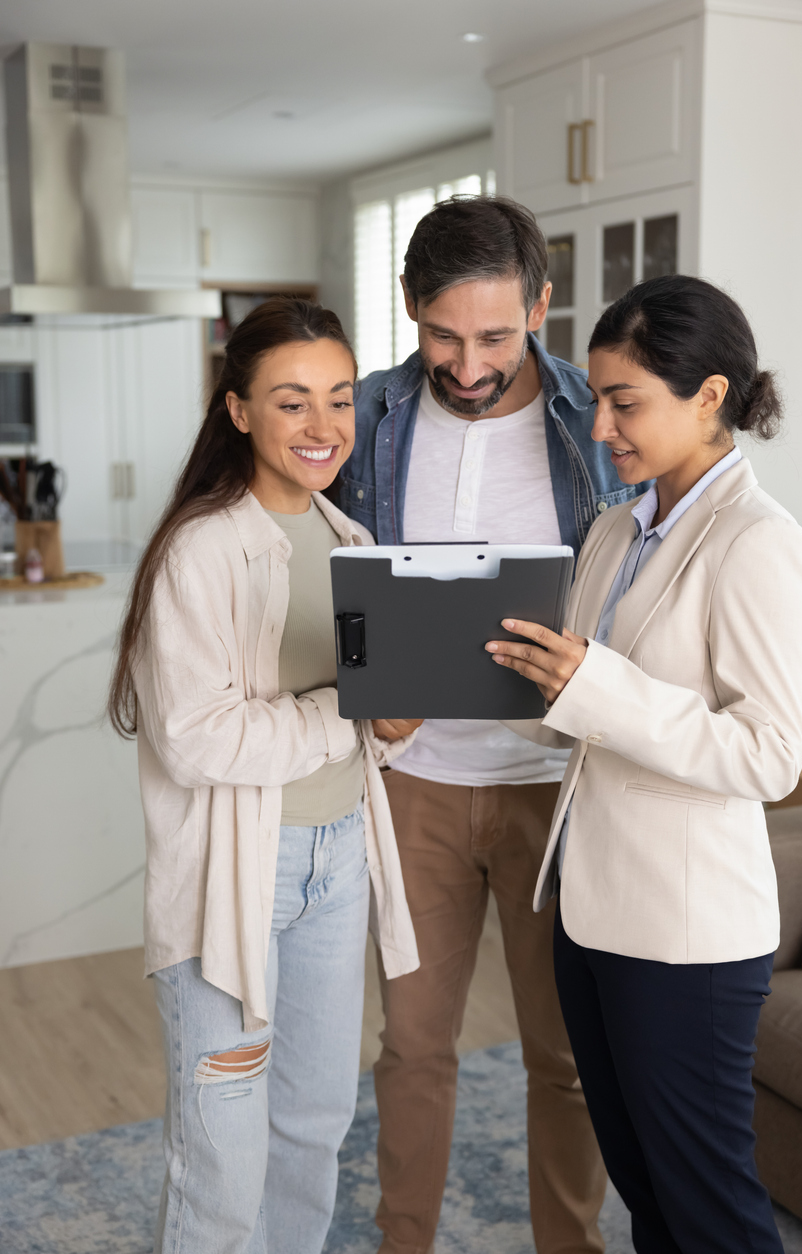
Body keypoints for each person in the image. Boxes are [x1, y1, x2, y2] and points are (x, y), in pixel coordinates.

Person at [487, 274, 802, 1253]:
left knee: (707, 1207)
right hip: (591, 916)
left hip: (684, 939)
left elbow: (765, 754)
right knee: (645, 1192)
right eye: (596, 399)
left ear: (708, 396)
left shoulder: (759, 546)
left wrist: (592, 685)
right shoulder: (611, 530)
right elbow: (579, 711)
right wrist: (492, 688)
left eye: (623, 402)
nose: (600, 428)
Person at [340, 195, 650, 1254]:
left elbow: (655, 574)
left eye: (494, 336)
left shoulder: (596, 423)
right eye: (440, 333)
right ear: (407, 307)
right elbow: (315, 578)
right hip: (410, 781)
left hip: (553, 790)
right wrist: (364, 673)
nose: (465, 364)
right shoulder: (368, 416)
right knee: (413, 1048)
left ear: (541, 306)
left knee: (563, 1058)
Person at [108, 298, 422, 1254]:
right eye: (293, 403)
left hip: (339, 864)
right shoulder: (200, 550)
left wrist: (393, 727)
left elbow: (371, 723)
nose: (324, 427)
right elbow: (201, 740)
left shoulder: (358, 547)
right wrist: (350, 717)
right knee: (223, 1163)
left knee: (313, 1131)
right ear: (240, 410)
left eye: (340, 398)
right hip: (233, 881)